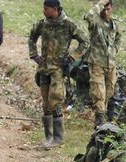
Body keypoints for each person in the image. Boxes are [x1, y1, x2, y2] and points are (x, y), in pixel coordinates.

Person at [29, 0, 88, 149]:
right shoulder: (42, 24)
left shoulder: (68, 24)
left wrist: (71, 57)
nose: (44, 10)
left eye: (46, 8)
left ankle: (58, 138)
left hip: (58, 70)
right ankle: (48, 137)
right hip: (43, 68)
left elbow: (84, 42)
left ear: (55, 9)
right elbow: (32, 37)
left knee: (55, 100)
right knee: (46, 103)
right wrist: (34, 55)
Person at [85, 0, 121, 126]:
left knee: (110, 90)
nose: (106, 12)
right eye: (103, 9)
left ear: (112, 9)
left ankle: (103, 113)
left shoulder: (114, 24)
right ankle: (99, 118)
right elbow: (88, 15)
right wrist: (101, 3)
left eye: (108, 9)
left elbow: (118, 38)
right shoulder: (95, 22)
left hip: (111, 63)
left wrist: (114, 50)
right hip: (97, 62)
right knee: (99, 90)